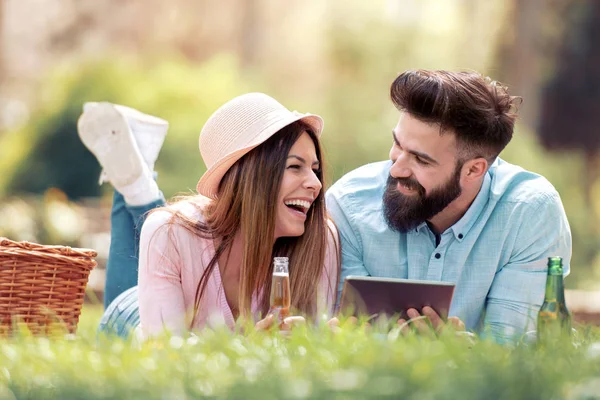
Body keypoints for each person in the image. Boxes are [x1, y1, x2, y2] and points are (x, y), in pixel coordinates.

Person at [326, 70, 572, 343]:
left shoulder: (530, 213)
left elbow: (510, 349)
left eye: (421, 160)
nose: (396, 169)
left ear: (474, 170)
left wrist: (457, 353)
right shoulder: (348, 204)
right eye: (397, 145)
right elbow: (344, 335)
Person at [77, 94, 340, 339]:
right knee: (161, 231)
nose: (316, 184)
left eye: (315, 170)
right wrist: (248, 350)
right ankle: (138, 190)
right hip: (134, 321)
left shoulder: (320, 240)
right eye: (295, 166)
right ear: (250, 176)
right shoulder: (169, 231)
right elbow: (162, 349)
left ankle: (138, 183)